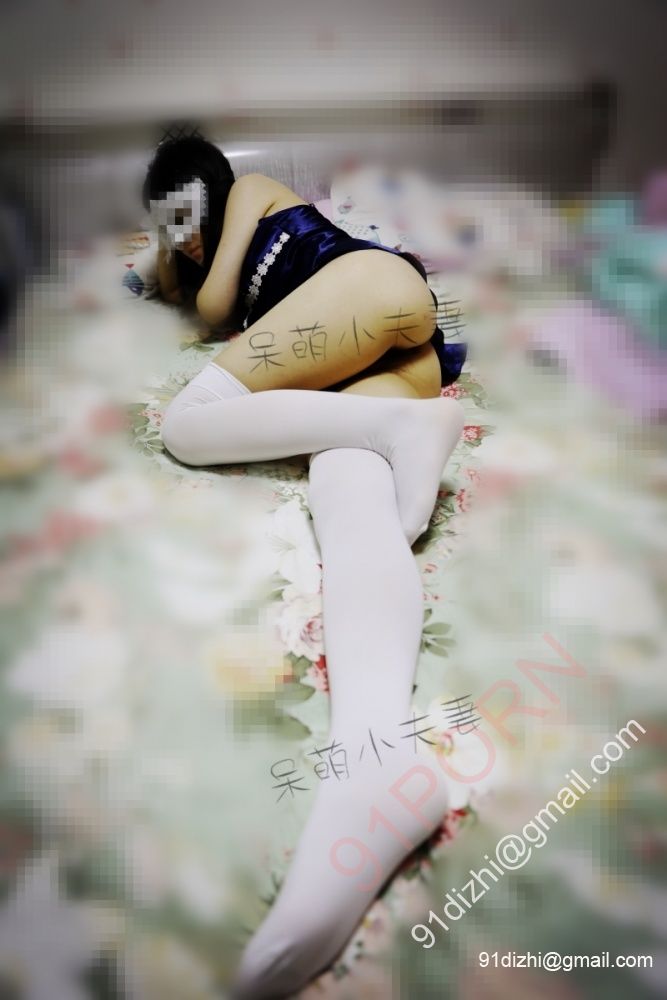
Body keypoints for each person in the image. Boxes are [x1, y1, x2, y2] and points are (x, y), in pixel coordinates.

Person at [142, 133, 467, 997]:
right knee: (345, 481)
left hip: (369, 290)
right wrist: (164, 255)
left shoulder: (253, 190)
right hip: (390, 354)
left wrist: (180, 252)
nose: (183, 236)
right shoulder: (194, 244)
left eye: (187, 214)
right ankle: (376, 754)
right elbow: (177, 284)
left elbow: (213, 305)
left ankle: (405, 427)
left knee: (188, 422)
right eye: (167, 224)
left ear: (213, 193)